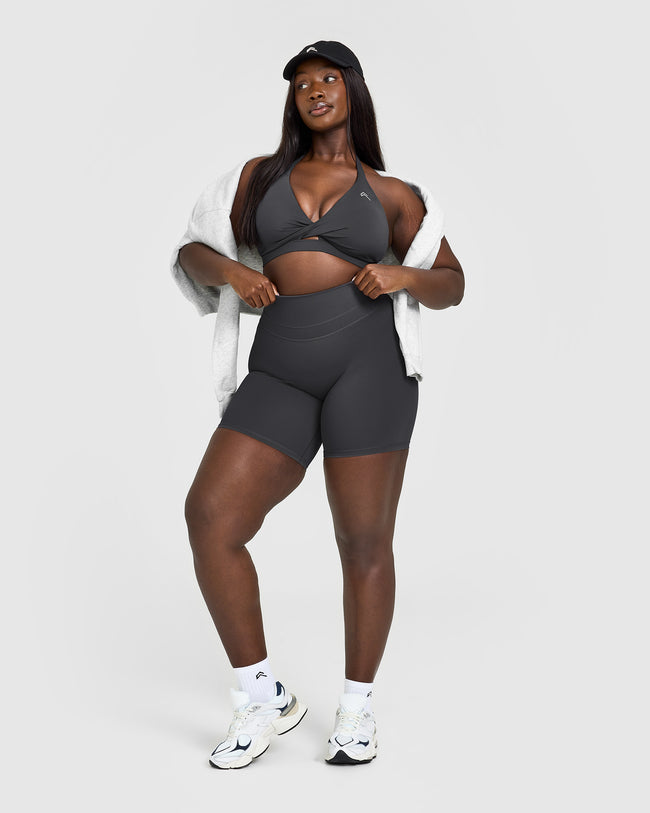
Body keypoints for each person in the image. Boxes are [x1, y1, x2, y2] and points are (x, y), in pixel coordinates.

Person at [172, 40, 464, 769]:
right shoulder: (256, 178)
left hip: (371, 370)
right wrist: (235, 272)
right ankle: (260, 697)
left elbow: (452, 282)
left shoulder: (393, 194)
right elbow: (190, 253)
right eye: (302, 82)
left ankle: (357, 711)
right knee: (211, 517)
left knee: (363, 542)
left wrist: (402, 276)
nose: (314, 90)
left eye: (328, 77)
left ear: (352, 90)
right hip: (281, 369)